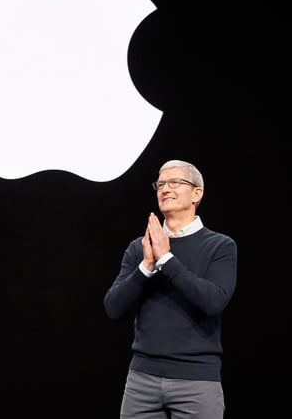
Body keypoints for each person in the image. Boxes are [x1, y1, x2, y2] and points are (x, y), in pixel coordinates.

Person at [104, 159, 238, 418]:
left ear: (196, 193)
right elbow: (113, 307)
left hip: (196, 380)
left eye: (175, 182)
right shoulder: (140, 247)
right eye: (161, 184)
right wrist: (145, 267)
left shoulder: (221, 246)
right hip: (141, 379)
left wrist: (167, 259)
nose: (165, 188)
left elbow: (213, 301)